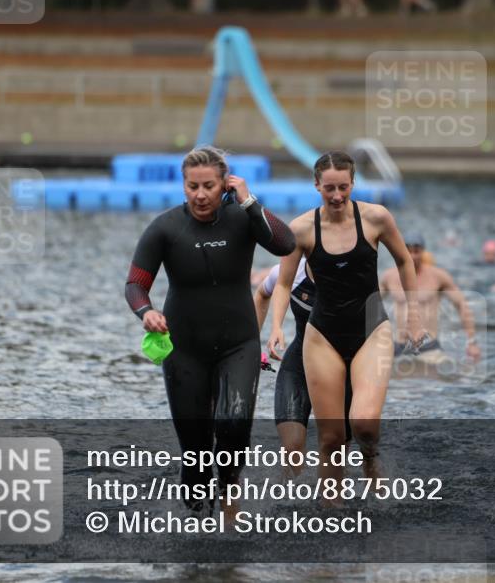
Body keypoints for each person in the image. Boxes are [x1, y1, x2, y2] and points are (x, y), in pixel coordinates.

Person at [125, 146, 296, 518]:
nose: (200, 195)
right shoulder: (165, 228)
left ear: (225, 185)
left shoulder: (243, 217)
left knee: (234, 424)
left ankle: (230, 501)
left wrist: (249, 201)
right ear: (183, 186)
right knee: (195, 451)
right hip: (184, 350)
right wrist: (146, 311)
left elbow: (286, 244)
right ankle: (198, 518)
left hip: (238, 345)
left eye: (209, 186)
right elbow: (135, 284)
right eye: (192, 186)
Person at [268, 151, 421, 497]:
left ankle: (370, 457)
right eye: (329, 189)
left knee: (364, 424)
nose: (337, 196)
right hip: (322, 335)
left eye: (343, 187)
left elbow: (404, 262)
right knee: (331, 438)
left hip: (371, 330)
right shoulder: (302, 229)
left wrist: (413, 316)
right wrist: (276, 326)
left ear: (353, 183)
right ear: (316, 185)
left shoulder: (376, 218)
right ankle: (332, 512)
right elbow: (283, 283)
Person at [256, 258, 354, 479]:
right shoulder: (290, 272)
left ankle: (333, 492)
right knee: (292, 447)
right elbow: (262, 294)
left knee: (336, 449)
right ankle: (290, 492)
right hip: (299, 363)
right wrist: (254, 342)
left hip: (341, 369)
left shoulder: (351, 276)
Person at [379, 232, 481, 361]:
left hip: (428, 347)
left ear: (423, 252)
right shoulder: (389, 277)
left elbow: (462, 306)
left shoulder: (438, 277)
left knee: (443, 371)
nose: (412, 256)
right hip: (398, 346)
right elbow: (369, 306)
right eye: (408, 251)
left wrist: (472, 342)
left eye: (416, 251)